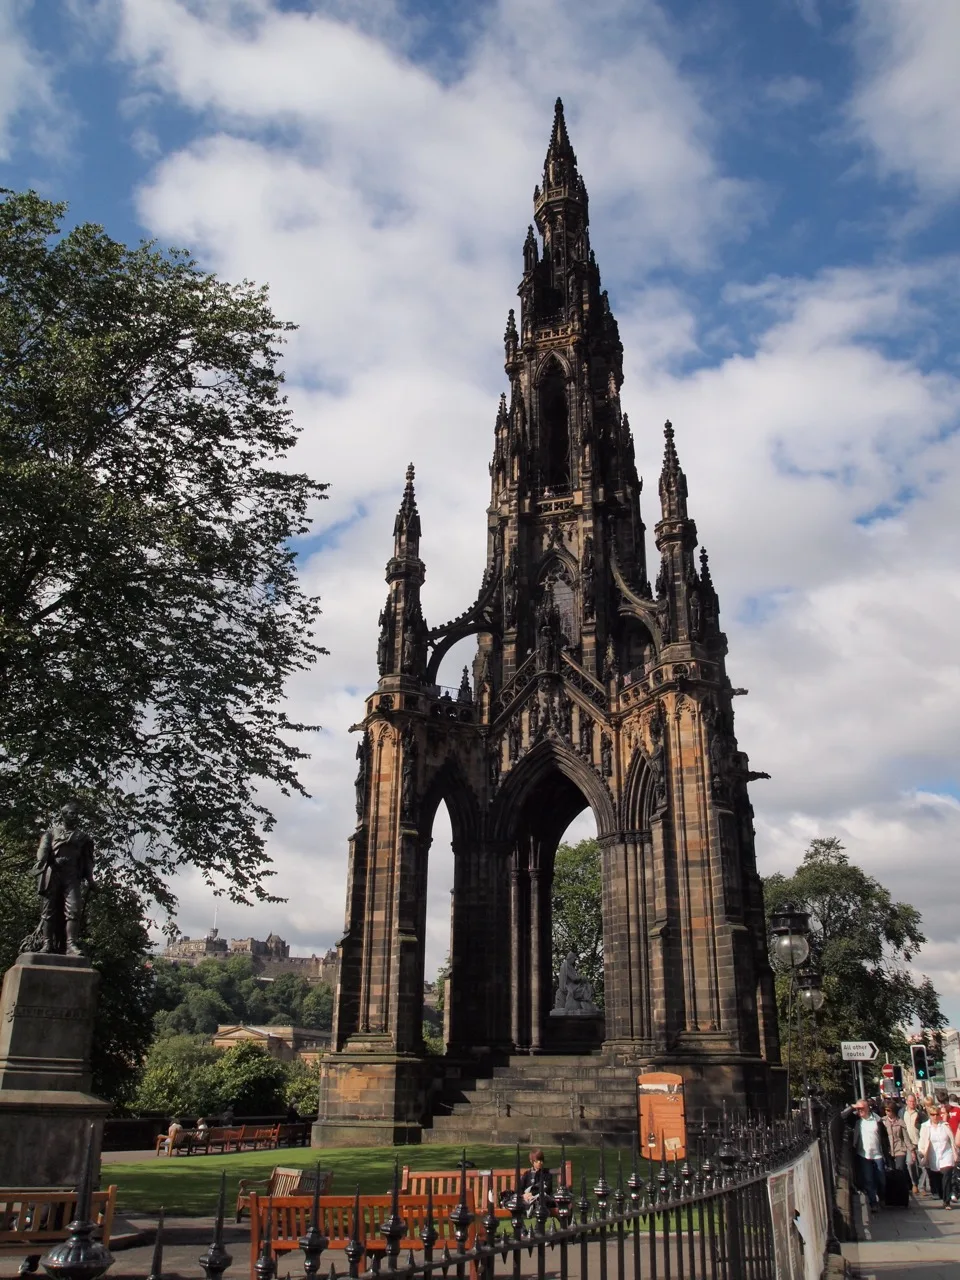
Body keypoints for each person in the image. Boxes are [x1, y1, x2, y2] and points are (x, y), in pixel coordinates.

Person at [30, 800, 95, 956]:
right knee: (48, 910)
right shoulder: (51, 833)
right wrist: (44, 860)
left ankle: (71, 945)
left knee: (74, 908)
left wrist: (91, 880)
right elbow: (43, 850)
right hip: (53, 873)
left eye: (77, 814)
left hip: (72, 876)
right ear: (64, 815)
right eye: (72, 814)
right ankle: (47, 944)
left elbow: (87, 860)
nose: (75, 817)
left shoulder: (83, 837)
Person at [845, 1098, 889, 1210]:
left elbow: (884, 1137)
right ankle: (873, 1203)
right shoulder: (857, 1122)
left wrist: (887, 1152)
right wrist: (853, 1106)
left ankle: (882, 1197)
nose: (860, 1111)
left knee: (881, 1179)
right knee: (868, 1180)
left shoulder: (876, 1120)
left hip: (878, 1154)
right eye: (858, 1109)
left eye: (862, 1109)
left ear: (867, 1108)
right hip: (864, 1155)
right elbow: (842, 1117)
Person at [918, 1103, 958, 1209]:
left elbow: (951, 1139)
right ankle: (941, 1194)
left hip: (946, 1154)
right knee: (937, 1180)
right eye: (932, 1114)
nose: (935, 1117)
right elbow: (922, 1141)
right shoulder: (925, 1127)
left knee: (947, 1176)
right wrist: (921, 1152)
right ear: (929, 1115)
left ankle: (947, 1201)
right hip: (933, 1155)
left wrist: (955, 1152)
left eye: (937, 1114)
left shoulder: (944, 1125)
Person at [902, 1094, 925, 1194]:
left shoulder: (920, 1114)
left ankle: (921, 1186)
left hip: (919, 1143)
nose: (912, 1103)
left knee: (923, 1165)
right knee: (910, 1163)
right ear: (906, 1102)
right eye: (910, 1101)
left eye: (914, 1101)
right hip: (908, 1143)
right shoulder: (902, 1113)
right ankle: (914, 1183)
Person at [882, 1099, 911, 1173]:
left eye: (888, 1110)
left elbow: (905, 1137)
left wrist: (912, 1150)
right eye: (885, 1110)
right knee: (892, 1171)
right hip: (888, 1150)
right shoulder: (883, 1121)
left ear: (893, 1111)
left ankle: (905, 1183)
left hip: (900, 1149)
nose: (886, 1112)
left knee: (900, 1169)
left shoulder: (900, 1122)